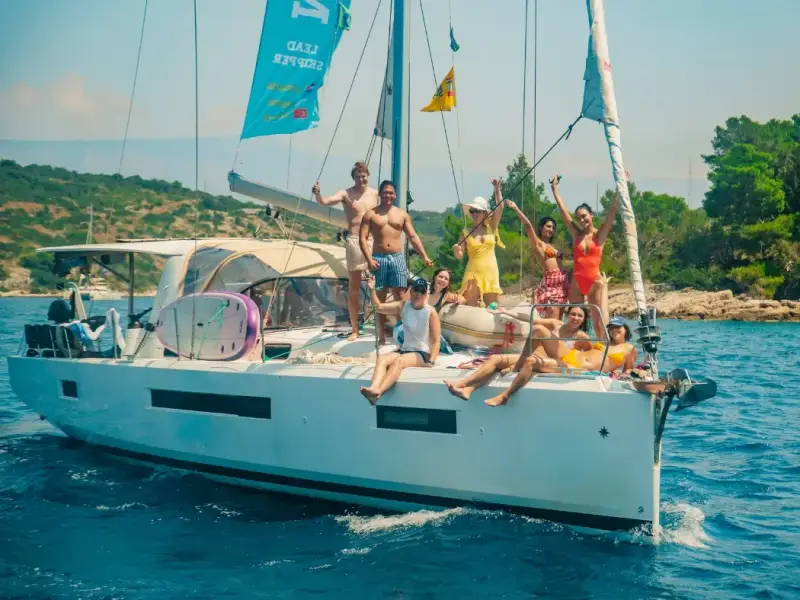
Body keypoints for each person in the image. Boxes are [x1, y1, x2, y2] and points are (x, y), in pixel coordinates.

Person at [443, 304, 589, 402]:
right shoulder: (555, 324)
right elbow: (531, 319)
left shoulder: (582, 336)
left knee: (528, 355)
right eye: (573, 314)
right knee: (494, 359)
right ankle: (466, 387)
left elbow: (593, 354)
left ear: (583, 320)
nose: (575, 318)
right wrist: (506, 312)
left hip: (548, 363)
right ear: (567, 315)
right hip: (532, 356)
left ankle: (482, 388)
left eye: (579, 316)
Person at [481, 315, 637, 407]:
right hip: (570, 355)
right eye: (612, 327)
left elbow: (628, 370)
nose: (614, 330)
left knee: (531, 362)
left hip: (575, 367)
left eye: (618, 327)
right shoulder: (603, 342)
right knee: (538, 330)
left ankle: (505, 395)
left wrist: (621, 373)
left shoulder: (629, 349)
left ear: (625, 330)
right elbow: (598, 321)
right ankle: (516, 366)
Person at [360, 180, 433, 344]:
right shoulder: (371, 214)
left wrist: (424, 256)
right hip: (378, 258)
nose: (388, 195)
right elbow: (362, 239)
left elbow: (413, 236)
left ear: (395, 195)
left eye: (391, 192)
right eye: (385, 192)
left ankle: (403, 332)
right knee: (379, 298)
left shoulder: (402, 214)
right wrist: (369, 259)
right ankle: (381, 336)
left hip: (397, 258)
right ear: (380, 193)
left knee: (400, 297)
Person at [312, 161, 379, 341]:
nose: (361, 179)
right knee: (354, 287)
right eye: (358, 176)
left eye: (364, 176)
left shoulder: (375, 194)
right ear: (353, 177)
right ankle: (355, 328)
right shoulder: (346, 193)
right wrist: (318, 194)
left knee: (378, 285)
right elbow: (325, 202)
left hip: (373, 240)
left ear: (368, 176)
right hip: (355, 241)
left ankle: (381, 325)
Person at [550, 175, 619, 336]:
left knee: (598, 320)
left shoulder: (599, 235)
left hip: (593, 282)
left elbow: (611, 214)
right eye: (579, 217)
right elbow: (564, 214)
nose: (581, 220)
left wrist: (619, 188)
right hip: (577, 283)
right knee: (575, 321)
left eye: (584, 216)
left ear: (591, 215)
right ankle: (577, 347)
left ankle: (602, 348)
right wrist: (555, 191)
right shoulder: (576, 234)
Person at [360, 277, 441, 404]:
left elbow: (436, 341)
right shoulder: (403, 306)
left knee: (399, 361)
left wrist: (432, 360)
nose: (418, 294)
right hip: (405, 350)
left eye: (421, 291)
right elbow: (379, 307)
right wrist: (372, 290)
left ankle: (378, 392)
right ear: (411, 291)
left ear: (425, 294)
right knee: (382, 358)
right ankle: (374, 387)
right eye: (415, 290)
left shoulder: (430, 312)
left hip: (422, 353)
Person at [453, 177, 507, 307]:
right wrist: (457, 250)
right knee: (469, 306)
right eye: (472, 211)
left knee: (493, 307)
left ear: (484, 213)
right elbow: (460, 255)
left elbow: (500, 208)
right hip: (473, 273)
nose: (475, 214)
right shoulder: (465, 232)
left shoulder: (491, 227)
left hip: (491, 272)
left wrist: (497, 189)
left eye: (478, 211)